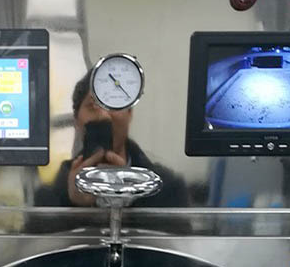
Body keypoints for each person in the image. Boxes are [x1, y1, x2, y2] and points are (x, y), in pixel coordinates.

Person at [34, 69, 189, 209]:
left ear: (130, 113)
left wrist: (129, 195)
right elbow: (41, 231)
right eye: (93, 106)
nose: (104, 115)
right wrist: (71, 202)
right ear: (76, 121)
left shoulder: (169, 189)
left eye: (114, 103)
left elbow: (172, 231)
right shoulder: (49, 197)